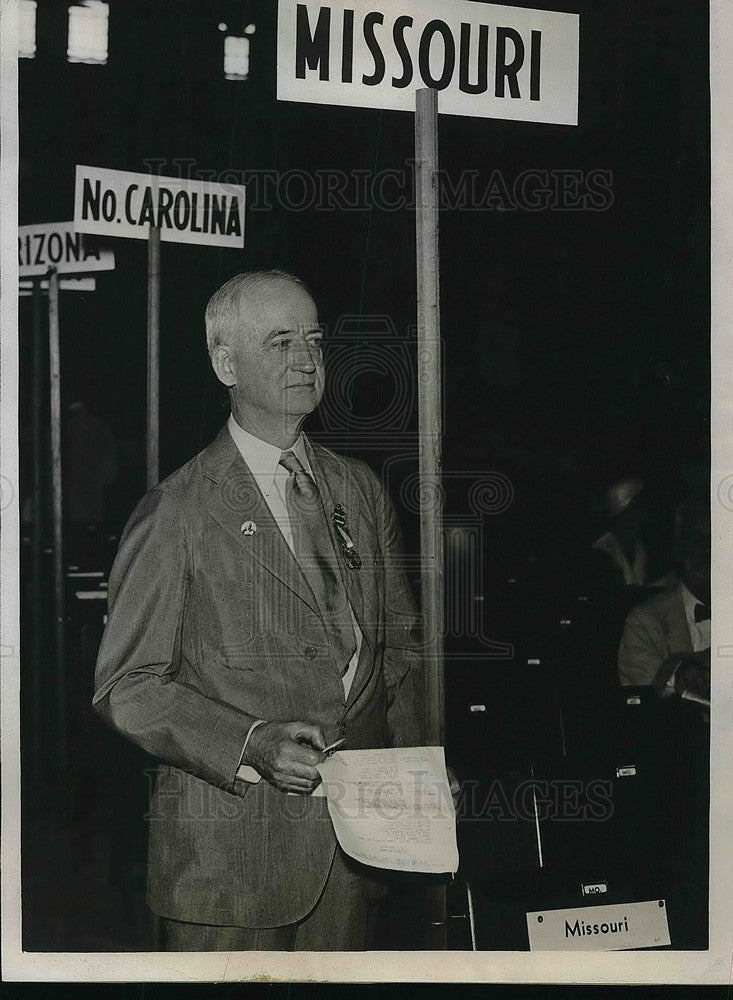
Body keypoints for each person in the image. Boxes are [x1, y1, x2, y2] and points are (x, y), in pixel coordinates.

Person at [93, 270, 433, 952]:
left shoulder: (358, 491)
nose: (306, 360)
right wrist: (250, 742)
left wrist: (420, 770)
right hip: (228, 867)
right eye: (280, 342)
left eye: (313, 339)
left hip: (355, 856)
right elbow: (126, 688)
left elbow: (399, 652)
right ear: (226, 362)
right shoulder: (177, 511)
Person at [617, 499, 710, 702]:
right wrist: (679, 668)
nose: (710, 551)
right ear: (680, 550)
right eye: (699, 540)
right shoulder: (644, 622)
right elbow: (643, 710)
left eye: (722, 539)